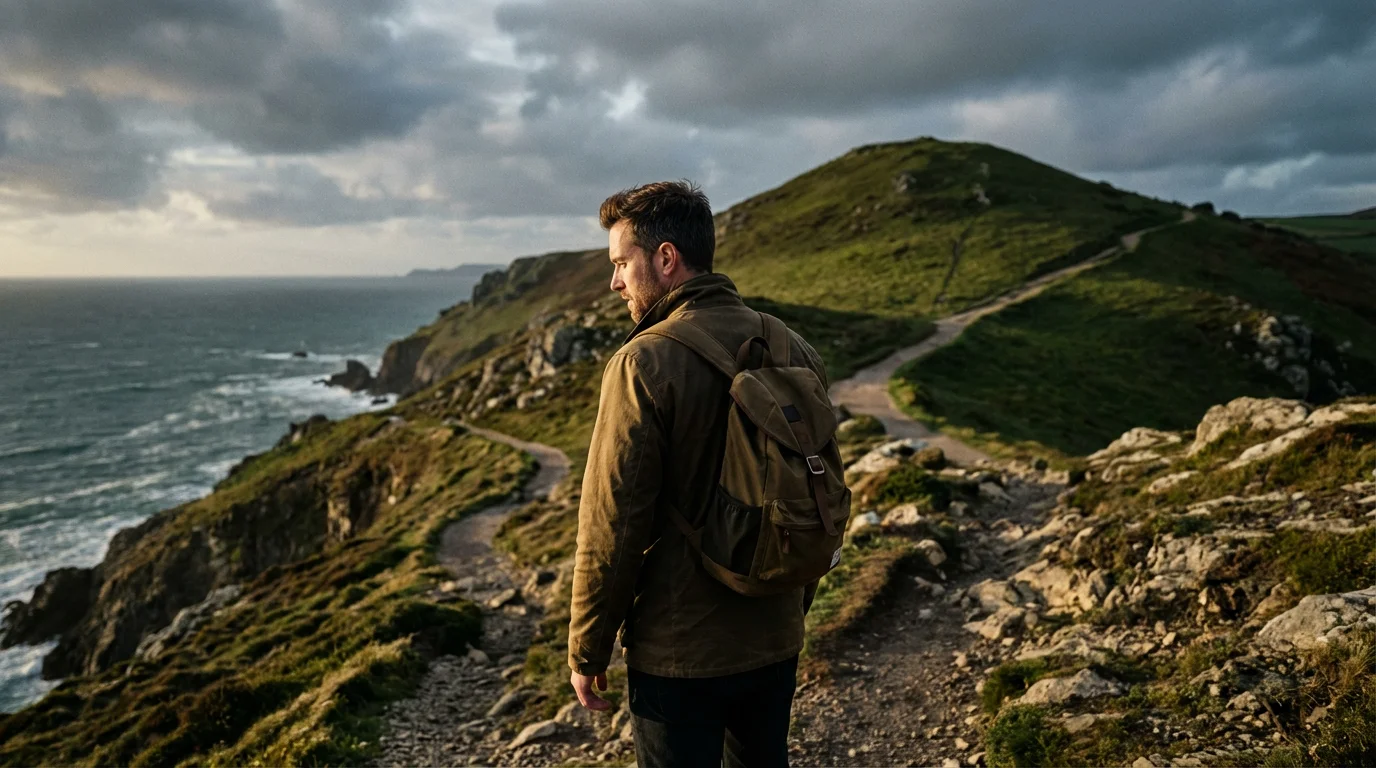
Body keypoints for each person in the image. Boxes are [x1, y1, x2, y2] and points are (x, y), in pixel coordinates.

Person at [567, 180, 830, 767]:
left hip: (680, 649)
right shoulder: (792, 347)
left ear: (665, 258)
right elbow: (818, 491)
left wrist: (587, 648)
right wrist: (790, 603)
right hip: (775, 630)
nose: (614, 283)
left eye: (621, 263)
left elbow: (613, 522)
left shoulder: (643, 361)